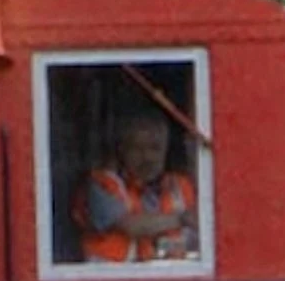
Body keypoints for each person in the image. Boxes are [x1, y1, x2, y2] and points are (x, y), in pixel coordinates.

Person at [74, 111, 198, 263]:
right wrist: (182, 218)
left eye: (155, 148)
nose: (147, 157)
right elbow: (132, 226)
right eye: (137, 149)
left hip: (172, 273)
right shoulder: (103, 184)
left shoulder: (181, 186)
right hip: (109, 275)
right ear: (122, 150)